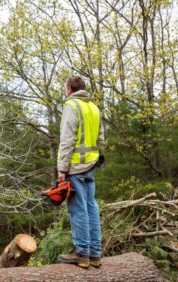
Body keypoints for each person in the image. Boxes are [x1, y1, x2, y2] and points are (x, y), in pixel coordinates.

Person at [56, 76, 105, 268]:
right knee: (91, 207)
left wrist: (62, 169)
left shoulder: (71, 106)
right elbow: (101, 139)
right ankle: (95, 254)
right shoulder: (93, 107)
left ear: (69, 89)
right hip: (90, 166)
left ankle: (82, 254)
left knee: (78, 209)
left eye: (65, 87)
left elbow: (67, 140)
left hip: (75, 166)